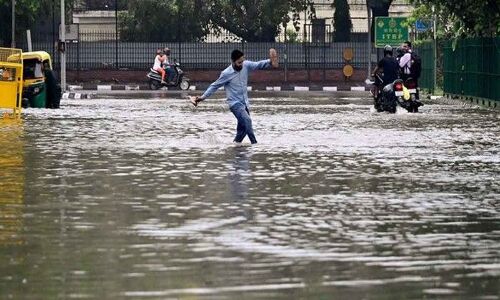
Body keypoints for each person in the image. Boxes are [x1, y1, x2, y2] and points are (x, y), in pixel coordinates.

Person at [190, 48, 279, 145]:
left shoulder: (246, 65)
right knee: (247, 121)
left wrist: (270, 61)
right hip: (235, 104)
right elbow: (214, 86)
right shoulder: (226, 73)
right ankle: (255, 145)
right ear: (233, 62)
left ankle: (235, 147)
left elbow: (258, 64)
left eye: (242, 61)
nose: (241, 64)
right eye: (239, 62)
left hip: (244, 103)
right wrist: (202, 97)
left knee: (243, 130)